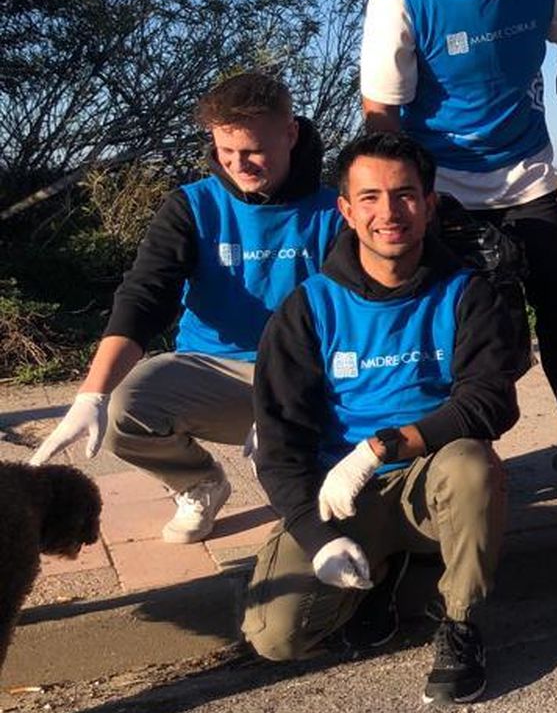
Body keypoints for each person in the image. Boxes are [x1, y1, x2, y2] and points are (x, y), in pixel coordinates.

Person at [243, 133, 520, 707]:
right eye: (369, 198)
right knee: (275, 636)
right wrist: (317, 537)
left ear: (431, 203)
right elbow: (279, 444)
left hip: (433, 479)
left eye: (405, 195)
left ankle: (462, 622)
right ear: (345, 209)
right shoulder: (307, 308)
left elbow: (491, 402)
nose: (388, 213)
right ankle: (383, 574)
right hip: (341, 492)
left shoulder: (468, 293)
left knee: (472, 463)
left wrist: (379, 448)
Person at [28, 73, 340, 543]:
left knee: (314, 513)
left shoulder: (336, 211)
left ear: (290, 133)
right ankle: (199, 482)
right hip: (212, 369)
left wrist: (288, 400)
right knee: (123, 408)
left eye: (253, 150)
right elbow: (144, 296)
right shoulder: (191, 206)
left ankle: (295, 458)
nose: (238, 165)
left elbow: (351, 316)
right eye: (225, 152)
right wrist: (91, 394)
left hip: (306, 376)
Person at [359, 0, 557, 482]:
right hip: (447, 189)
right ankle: (454, 454)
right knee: (465, 327)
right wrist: (414, 200)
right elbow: (382, 112)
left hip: (530, 175)